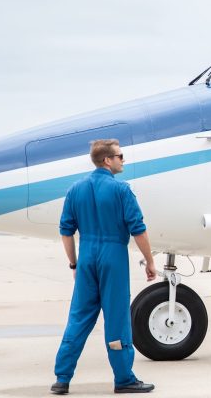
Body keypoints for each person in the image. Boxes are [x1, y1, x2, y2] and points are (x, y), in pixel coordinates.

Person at [51, 139, 158, 395]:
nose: (123, 160)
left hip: (87, 256)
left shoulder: (75, 190)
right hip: (113, 257)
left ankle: (62, 379)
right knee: (117, 318)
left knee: (78, 318)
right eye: (120, 156)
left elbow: (66, 232)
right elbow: (138, 229)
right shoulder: (122, 191)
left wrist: (74, 263)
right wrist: (150, 261)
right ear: (108, 160)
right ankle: (124, 379)